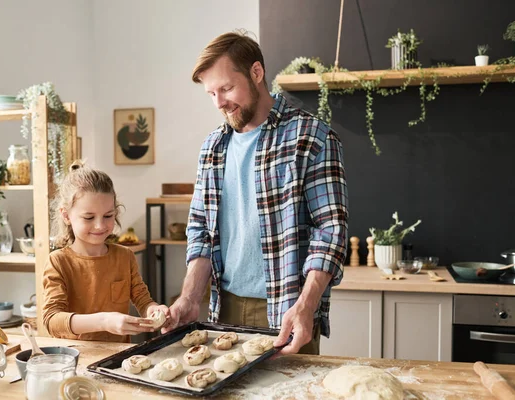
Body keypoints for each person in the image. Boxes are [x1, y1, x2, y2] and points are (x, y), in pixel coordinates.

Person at [162, 30, 349, 356]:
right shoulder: (212, 147)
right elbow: (200, 231)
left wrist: (307, 305)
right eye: (211, 93)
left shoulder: (311, 137)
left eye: (226, 88)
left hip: (288, 309)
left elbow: (330, 231)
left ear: (257, 73)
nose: (219, 102)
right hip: (225, 307)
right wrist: (190, 299)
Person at [43, 161, 169, 342]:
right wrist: (103, 321)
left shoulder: (125, 256)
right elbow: (52, 320)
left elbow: (143, 300)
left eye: (108, 216)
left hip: (118, 357)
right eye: (89, 217)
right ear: (66, 215)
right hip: (77, 357)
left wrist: (154, 310)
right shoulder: (58, 262)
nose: (100, 225)